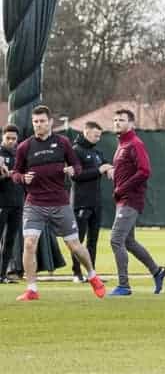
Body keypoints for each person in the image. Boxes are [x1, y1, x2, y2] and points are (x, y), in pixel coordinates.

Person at [11, 105, 105, 301]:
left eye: (42, 121)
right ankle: (32, 289)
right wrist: (22, 178)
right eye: (35, 122)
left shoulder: (63, 143)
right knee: (29, 244)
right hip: (34, 204)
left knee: (74, 245)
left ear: (50, 122)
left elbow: (77, 166)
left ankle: (93, 276)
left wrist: (74, 171)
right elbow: (15, 173)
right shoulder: (24, 147)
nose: (38, 125)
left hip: (59, 203)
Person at [108, 108, 165, 296]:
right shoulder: (121, 145)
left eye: (122, 120)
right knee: (128, 241)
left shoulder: (135, 143)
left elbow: (144, 171)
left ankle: (124, 285)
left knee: (116, 239)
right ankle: (157, 271)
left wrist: (121, 188)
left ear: (131, 124)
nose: (117, 122)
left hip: (130, 199)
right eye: (115, 120)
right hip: (123, 199)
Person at [70, 121, 109, 283]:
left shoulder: (97, 152)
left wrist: (109, 169)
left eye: (100, 136)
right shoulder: (75, 151)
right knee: (78, 240)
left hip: (96, 203)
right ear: (86, 132)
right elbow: (76, 176)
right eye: (95, 135)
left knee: (93, 240)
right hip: (81, 202)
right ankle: (76, 273)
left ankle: (91, 273)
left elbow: (106, 165)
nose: (98, 138)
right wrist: (98, 171)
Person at [0, 125, 23, 282]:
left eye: (14, 139)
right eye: (8, 138)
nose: (11, 141)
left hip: (17, 204)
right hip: (1, 202)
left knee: (10, 241)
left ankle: (3, 275)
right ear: (3, 137)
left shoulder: (20, 154)